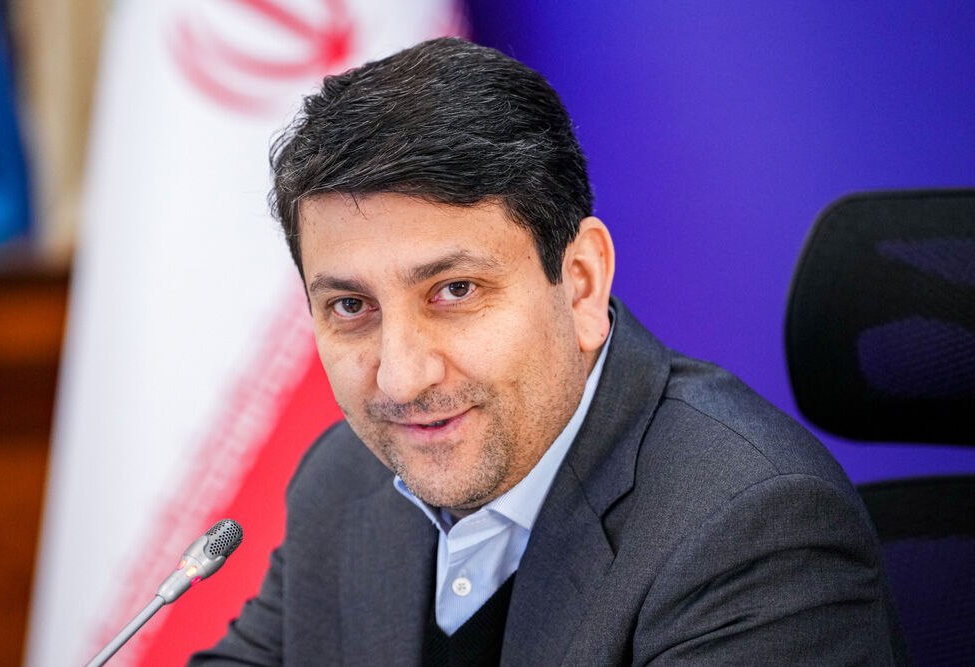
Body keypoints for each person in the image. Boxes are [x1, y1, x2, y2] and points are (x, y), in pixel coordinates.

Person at [192, 37, 905, 665]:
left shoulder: (752, 530)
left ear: (581, 283)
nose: (402, 378)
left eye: (455, 290)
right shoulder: (344, 478)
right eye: (351, 306)